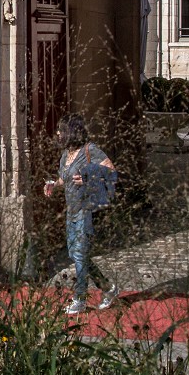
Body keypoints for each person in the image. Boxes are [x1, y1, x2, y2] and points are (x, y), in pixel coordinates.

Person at [43, 114, 119, 314]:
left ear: (72, 132)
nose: (58, 133)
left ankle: (80, 299)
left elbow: (111, 171)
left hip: (86, 210)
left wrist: (87, 177)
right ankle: (108, 288)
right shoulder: (65, 155)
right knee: (75, 254)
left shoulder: (89, 150)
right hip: (72, 211)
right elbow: (64, 179)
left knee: (79, 254)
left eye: (61, 130)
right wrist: (53, 184)